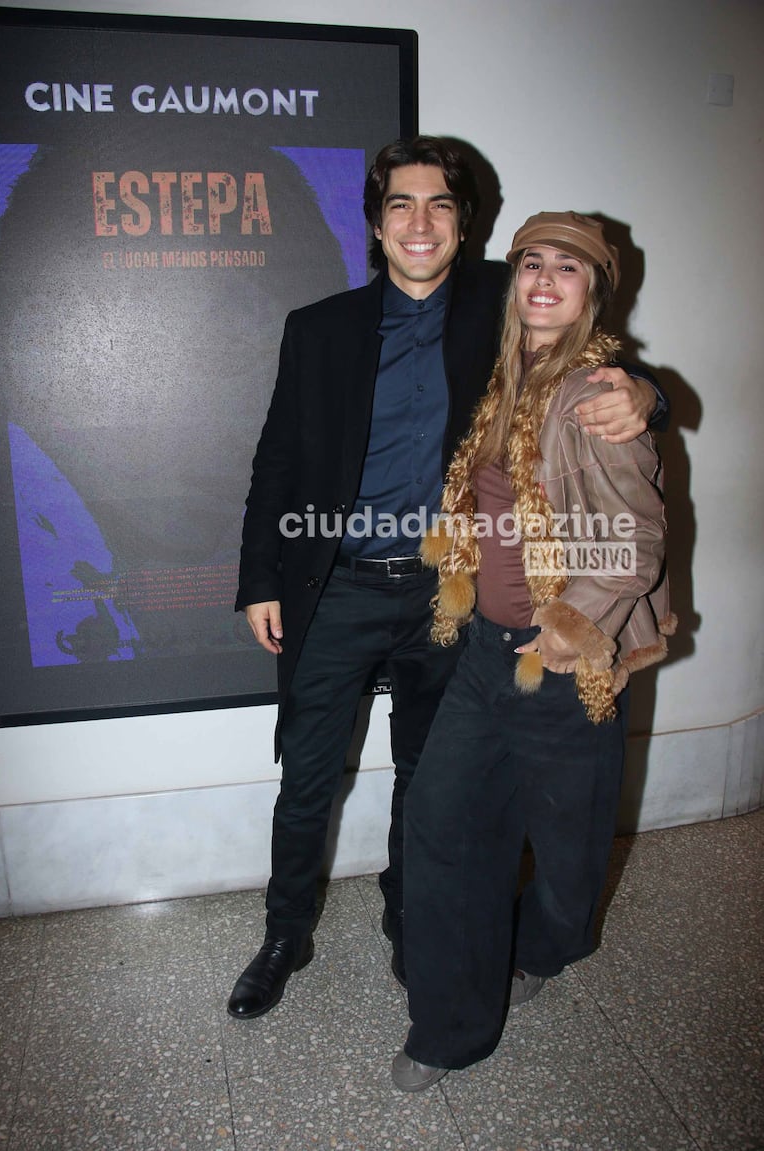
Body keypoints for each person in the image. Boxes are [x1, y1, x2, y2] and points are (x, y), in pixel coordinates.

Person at [228, 142, 665, 1022]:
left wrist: (645, 392)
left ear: (465, 226)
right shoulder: (319, 328)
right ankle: (285, 932)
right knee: (307, 773)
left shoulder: (497, 306)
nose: (419, 222)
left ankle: (406, 915)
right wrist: (257, 578)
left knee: (426, 777)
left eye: (438, 206)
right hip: (336, 585)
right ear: (376, 222)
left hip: (442, 593)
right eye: (400, 205)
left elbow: (584, 340)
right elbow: (276, 460)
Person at [391, 211, 675, 1091]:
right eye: (531, 265)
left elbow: (635, 542)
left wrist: (563, 633)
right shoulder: (500, 376)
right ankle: (448, 1025)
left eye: (569, 269)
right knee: (440, 829)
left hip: (559, 668)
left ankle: (547, 945)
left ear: (595, 290)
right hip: (482, 655)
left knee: (567, 852)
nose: (545, 281)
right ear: (511, 279)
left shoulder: (596, 395)